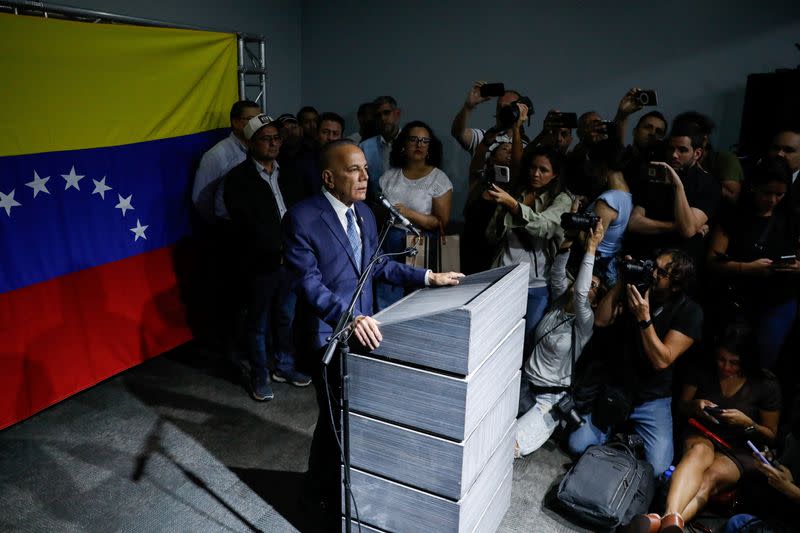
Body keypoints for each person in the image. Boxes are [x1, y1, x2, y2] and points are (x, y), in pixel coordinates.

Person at [281, 139, 463, 529]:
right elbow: (309, 284)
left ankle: (343, 487)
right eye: (355, 170)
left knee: (353, 419)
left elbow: (376, 265)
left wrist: (428, 277)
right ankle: (319, 498)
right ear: (329, 177)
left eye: (366, 168)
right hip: (328, 334)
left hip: (365, 330)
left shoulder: (364, 213)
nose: (366, 177)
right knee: (335, 423)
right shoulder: (302, 218)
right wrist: (347, 318)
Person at [628, 324, 781, 533]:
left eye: (734, 363)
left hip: (739, 448)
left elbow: (771, 435)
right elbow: (681, 406)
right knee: (698, 453)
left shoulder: (765, 384)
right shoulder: (703, 369)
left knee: (710, 478)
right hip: (703, 430)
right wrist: (696, 406)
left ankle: (660, 521)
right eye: (721, 359)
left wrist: (748, 424)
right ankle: (671, 518)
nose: (726, 367)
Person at [567, 249, 702, 476]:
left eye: (661, 273)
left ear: (676, 286)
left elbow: (662, 360)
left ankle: (625, 439)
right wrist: (622, 281)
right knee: (576, 445)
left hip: (651, 397)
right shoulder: (638, 285)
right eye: (653, 265)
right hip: (617, 386)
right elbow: (600, 321)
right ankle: (615, 434)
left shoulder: (690, 312)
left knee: (657, 467)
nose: (652, 273)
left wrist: (644, 318)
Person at [223, 114, 312, 400]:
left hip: (292, 260)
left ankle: (284, 366)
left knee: (286, 317)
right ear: (251, 142)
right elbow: (246, 224)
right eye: (266, 139)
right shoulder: (238, 178)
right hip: (261, 263)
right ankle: (260, 374)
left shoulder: (288, 171)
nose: (273, 144)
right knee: (258, 322)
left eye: (277, 138)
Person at [515, 220, 605, 456]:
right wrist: (571, 237)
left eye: (594, 286)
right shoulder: (558, 302)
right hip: (522, 384)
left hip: (549, 399)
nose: (586, 285)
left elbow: (582, 294)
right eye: (587, 279)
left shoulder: (585, 322)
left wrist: (592, 248)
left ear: (595, 301)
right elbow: (557, 270)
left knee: (511, 447)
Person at [706, 156, 800, 369]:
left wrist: (796, 266)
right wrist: (747, 268)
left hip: (777, 302)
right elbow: (712, 261)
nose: (773, 200)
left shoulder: (791, 218)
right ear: (754, 187)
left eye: (780, 194)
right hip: (738, 301)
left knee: (763, 361)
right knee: (727, 360)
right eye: (767, 193)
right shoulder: (734, 215)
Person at [485, 142, 572, 356]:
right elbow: (490, 235)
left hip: (537, 282)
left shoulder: (561, 199)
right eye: (533, 167)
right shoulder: (516, 193)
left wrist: (514, 207)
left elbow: (545, 226)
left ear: (554, 175)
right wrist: (508, 204)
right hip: (504, 275)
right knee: (495, 337)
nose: (536, 174)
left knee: (526, 343)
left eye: (544, 170)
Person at [375, 121, 454, 309]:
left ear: (429, 148)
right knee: (386, 297)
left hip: (420, 242)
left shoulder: (439, 178)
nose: (419, 144)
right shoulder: (389, 176)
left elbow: (440, 222)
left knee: (417, 301)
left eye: (424, 141)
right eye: (414, 139)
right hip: (389, 240)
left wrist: (407, 213)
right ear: (403, 144)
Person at [627, 124, 721, 264]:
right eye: (671, 148)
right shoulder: (655, 177)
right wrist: (675, 226)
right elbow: (634, 223)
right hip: (645, 256)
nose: (674, 155)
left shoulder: (708, 184)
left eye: (682, 150)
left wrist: (678, 186)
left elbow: (687, 230)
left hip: (680, 264)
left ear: (697, 153)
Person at [192, 100, 261, 223]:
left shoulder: (262, 149)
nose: (257, 124)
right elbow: (200, 198)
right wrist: (218, 224)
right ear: (235, 122)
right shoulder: (216, 155)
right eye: (251, 119)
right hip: (229, 226)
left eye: (259, 119)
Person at [584, 139, 634, 285]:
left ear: (602, 165)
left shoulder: (607, 201)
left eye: (592, 165)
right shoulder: (628, 196)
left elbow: (590, 241)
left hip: (598, 268)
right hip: (612, 266)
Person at [360, 95, 402, 195]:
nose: (383, 118)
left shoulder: (411, 142)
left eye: (386, 113)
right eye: (378, 116)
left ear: (397, 114)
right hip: (376, 205)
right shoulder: (365, 147)